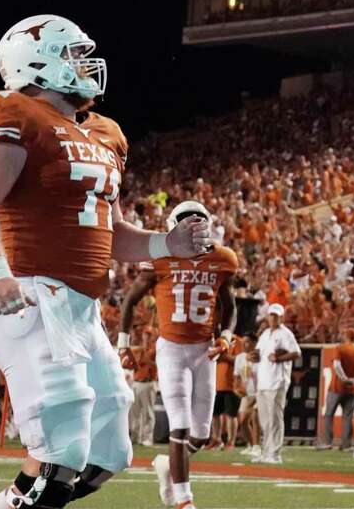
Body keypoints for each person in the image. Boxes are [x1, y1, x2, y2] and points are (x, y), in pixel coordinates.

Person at [0, 14, 210, 509]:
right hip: (32, 298)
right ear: (38, 61)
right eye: (72, 54)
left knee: (107, 450)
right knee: (60, 454)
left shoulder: (105, 134)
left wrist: (166, 244)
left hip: (79, 311)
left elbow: (112, 233)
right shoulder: (16, 113)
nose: (84, 64)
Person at [119, 199, 238, 509]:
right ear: (175, 228)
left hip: (205, 352)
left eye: (198, 224)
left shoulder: (223, 258)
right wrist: (123, 343)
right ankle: (184, 501)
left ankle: (164, 464)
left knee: (200, 434)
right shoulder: (160, 258)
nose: (193, 230)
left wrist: (225, 336)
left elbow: (230, 306)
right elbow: (130, 301)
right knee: (180, 427)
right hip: (172, 349)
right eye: (188, 224)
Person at [252, 303, 300, 464]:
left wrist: (279, 358)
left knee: (275, 418)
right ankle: (267, 451)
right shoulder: (265, 333)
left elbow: (296, 353)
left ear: (281, 317)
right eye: (271, 315)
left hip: (277, 381)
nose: (273, 317)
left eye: (276, 315)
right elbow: (259, 352)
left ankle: (275, 453)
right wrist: (253, 356)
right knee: (265, 419)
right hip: (263, 381)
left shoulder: (286, 334)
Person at [321, 328, 354, 450]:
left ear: (346, 335)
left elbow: (337, 365)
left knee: (329, 414)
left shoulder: (340, 348)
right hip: (351, 389)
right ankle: (346, 444)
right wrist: (353, 380)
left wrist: (344, 378)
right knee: (348, 417)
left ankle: (328, 442)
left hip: (336, 387)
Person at [128, 330, 158, 446]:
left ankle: (148, 438)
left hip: (148, 383)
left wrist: (146, 360)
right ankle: (135, 437)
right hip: (136, 382)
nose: (146, 338)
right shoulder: (139, 350)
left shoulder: (154, 350)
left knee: (148, 412)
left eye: (148, 336)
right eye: (145, 335)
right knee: (134, 412)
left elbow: (153, 361)